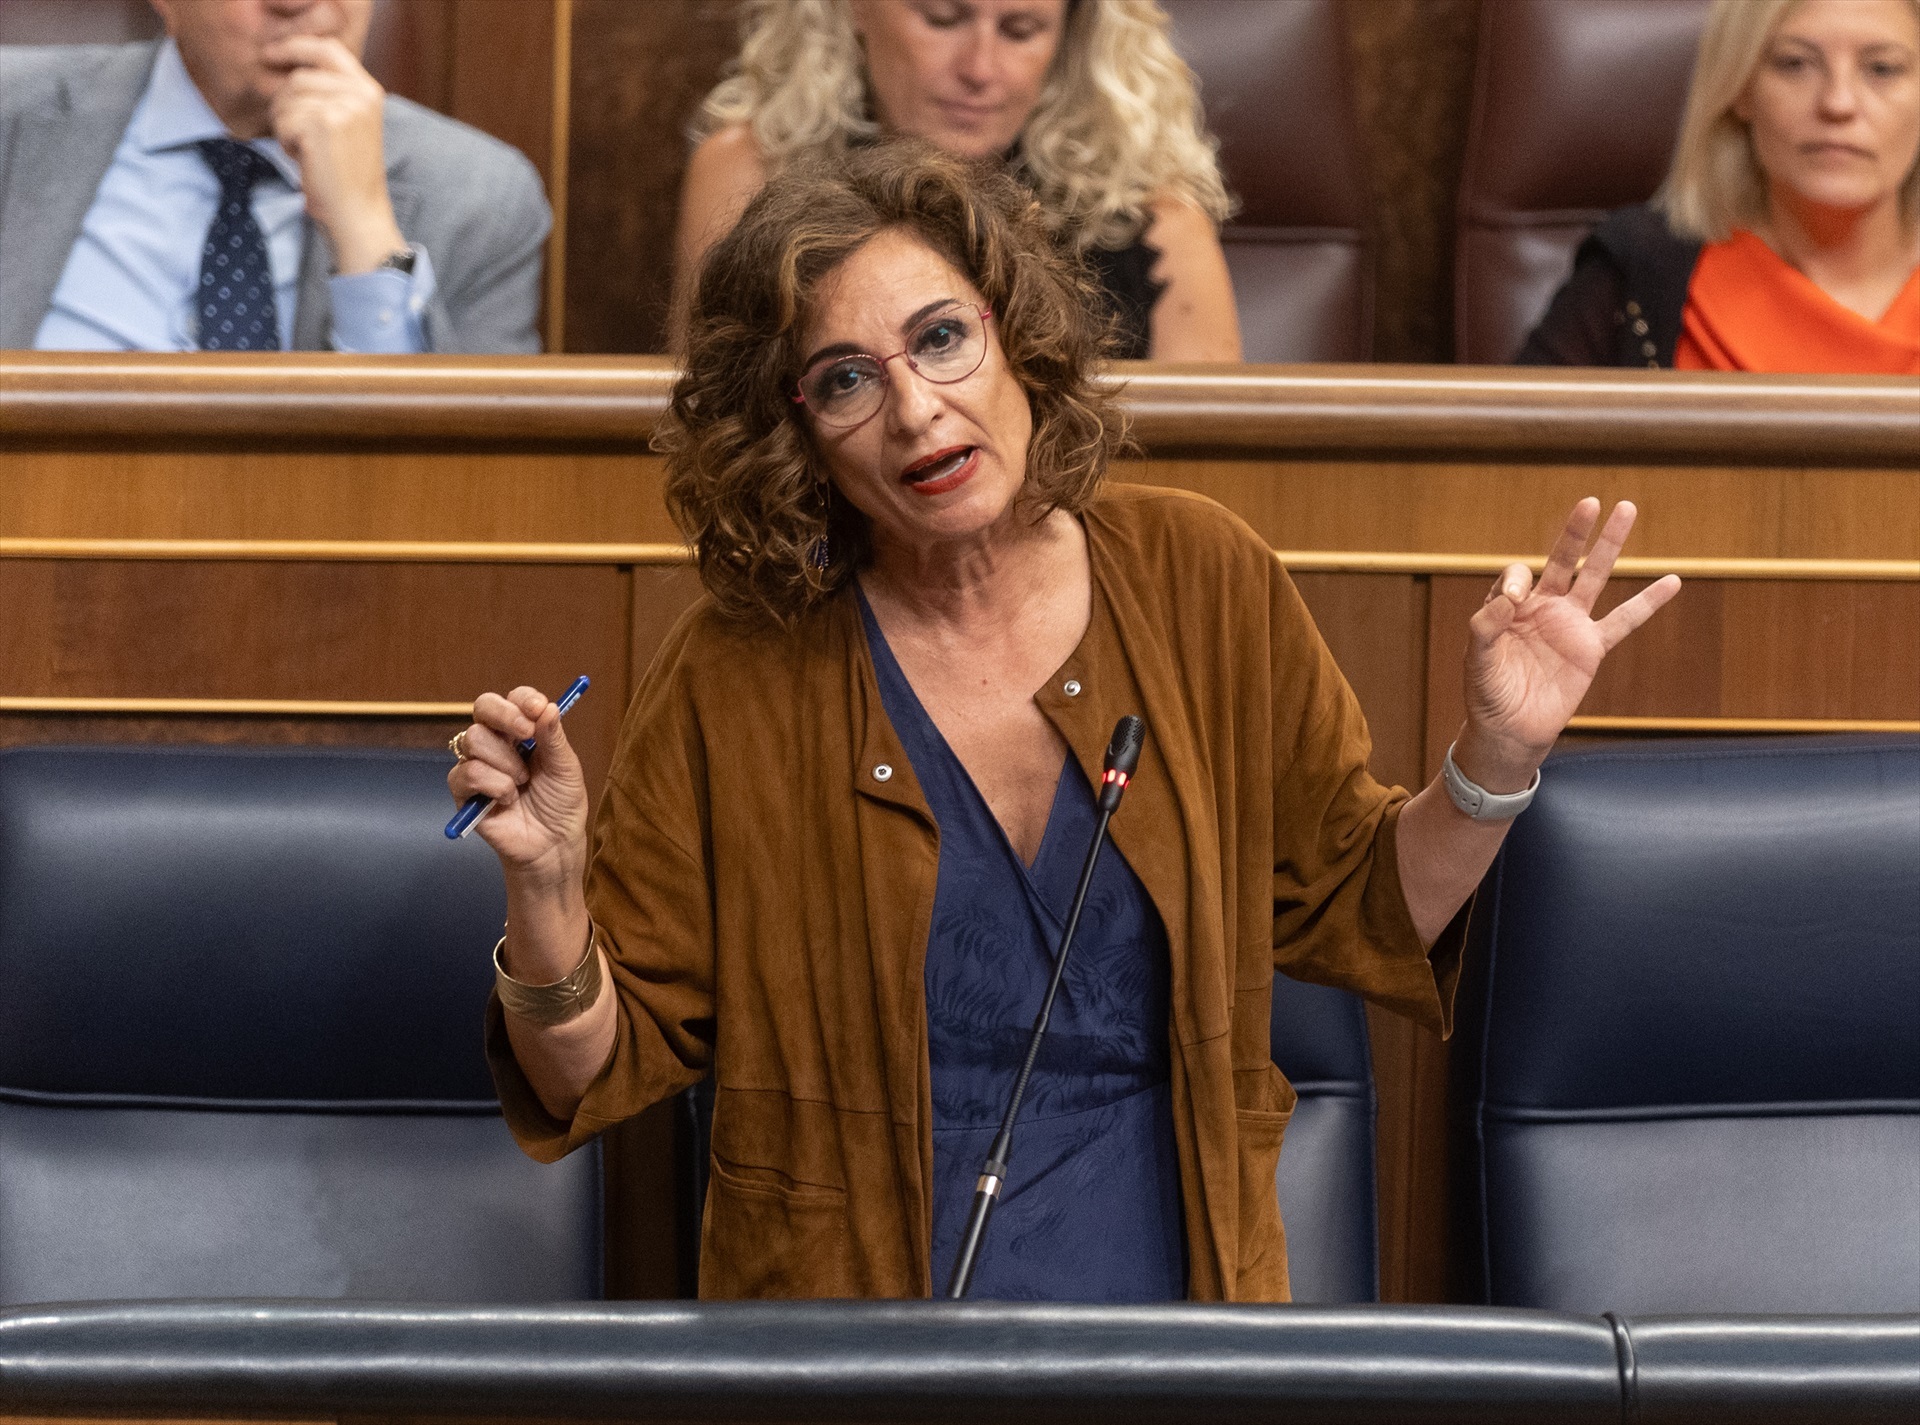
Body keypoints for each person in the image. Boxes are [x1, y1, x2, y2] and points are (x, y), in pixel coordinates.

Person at [452, 141, 1679, 1302]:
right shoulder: (738, 668)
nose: (919, 413)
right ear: (797, 439)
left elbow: (1364, 905)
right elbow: (598, 1067)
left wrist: (1497, 757)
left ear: (1015, 338)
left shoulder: (1202, 578)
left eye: (941, 340)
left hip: (1175, 1325)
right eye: (844, 382)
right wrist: (549, 892)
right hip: (854, 1350)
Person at [672, 0, 1240, 361]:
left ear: (1070, 38)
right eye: (943, 18)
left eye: (1020, 30)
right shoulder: (749, 172)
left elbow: (1203, 478)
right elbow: (717, 435)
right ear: (853, 10)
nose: (979, 69)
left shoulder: (1159, 223)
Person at [0, 0, 551, 353]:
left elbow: (462, 488)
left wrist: (365, 228)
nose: (299, 5)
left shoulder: (481, 197)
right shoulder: (14, 114)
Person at [1518, 0, 1920, 372]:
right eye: (1795, 64)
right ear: (1741, 89)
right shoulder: (1638, 268)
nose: (1838, 103)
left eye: (1882, 69)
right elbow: (1513, 439)